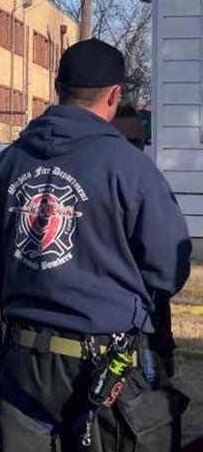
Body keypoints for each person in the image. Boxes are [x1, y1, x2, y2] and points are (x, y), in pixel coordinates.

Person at [0, 39, 191, 451]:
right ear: (114, 95)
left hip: (22, 359)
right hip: (107, 364)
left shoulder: (10, 162)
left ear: (58, 88)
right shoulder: (130, 168)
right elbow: (168, 268)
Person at [112, 105, 175, 378]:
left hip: (148, 321)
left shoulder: (152, 185)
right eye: (121, 142)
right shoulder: (91, 188)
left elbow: (169, 268)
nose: (130, 151)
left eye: (136, 143)